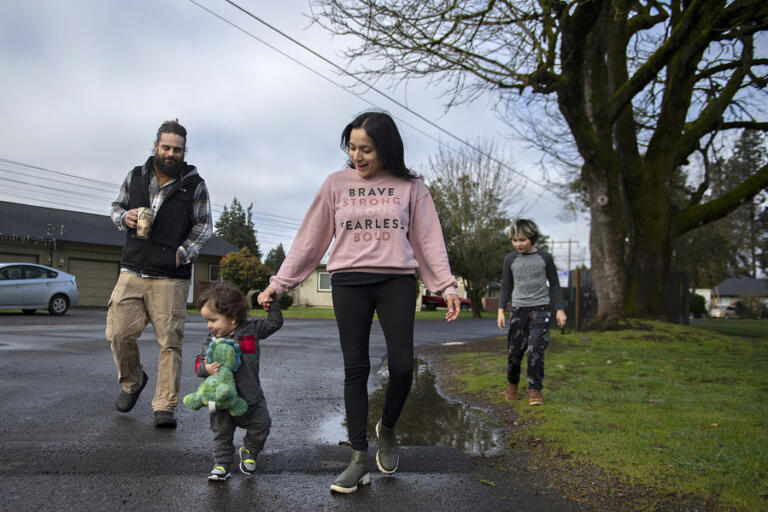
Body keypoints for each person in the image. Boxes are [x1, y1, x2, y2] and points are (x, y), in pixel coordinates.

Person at [258, 111, 461, 494]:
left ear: (385, 148)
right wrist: (279, 284)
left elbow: (428, 240)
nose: (357, 157)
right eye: (352, 148)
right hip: (349, 282)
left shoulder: (411, 186)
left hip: (396, 281)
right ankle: (357, 460)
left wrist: (446, 286)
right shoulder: (335, 184)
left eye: (366, 149)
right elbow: (310, 240)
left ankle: (387, 427)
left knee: (402, 367)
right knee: (356, 368)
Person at [106, 119, 212, 428]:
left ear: (184, 151)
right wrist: (123, 216)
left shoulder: (195, 183)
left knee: (170, 343)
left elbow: (204, 226)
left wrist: (184, 254)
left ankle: (164, 405)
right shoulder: (136, 176)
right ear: (155, 146)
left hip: (170, 276)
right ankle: (133, 381)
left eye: (177, 149)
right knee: (118, 334)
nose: (171, 153)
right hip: (132, 270)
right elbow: (115, 207)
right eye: (165, 147)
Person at [194, 283, 283, 481]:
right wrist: (205, 368)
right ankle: (221, 465)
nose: (209, 325)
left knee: (262, 424)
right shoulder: (211, 341)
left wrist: (273, 304)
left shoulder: (252, 330)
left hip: (251, 395)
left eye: (213, 320)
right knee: (222, 434)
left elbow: (274, 323)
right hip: (221, 398)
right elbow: (199, 362)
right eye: (206, 321)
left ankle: (250, 451)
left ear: (233, 317)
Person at [497, 218, 566, 406]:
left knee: (535, 349)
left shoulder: (545, 258)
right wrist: (501, 310)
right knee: (515, 352)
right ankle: (512, 384)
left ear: (532, 238)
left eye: (522, 240)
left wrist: (559, 310)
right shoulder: (510, 259)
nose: (518, 244)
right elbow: (506, 286)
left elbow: (555, 286)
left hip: (541, 310)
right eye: (514, 240)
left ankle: (535, 390)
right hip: (519, 311)